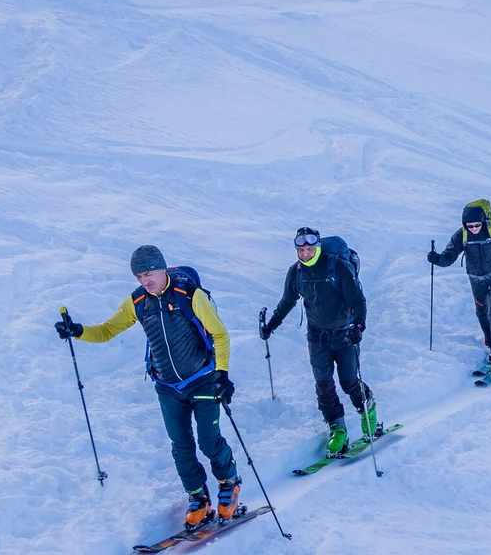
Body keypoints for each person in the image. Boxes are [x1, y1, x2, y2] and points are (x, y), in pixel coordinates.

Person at [56, 245, 241, 530]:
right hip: (167, 385)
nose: (145, 280)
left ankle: (229, 482)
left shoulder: (190, 295)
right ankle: (198, 497)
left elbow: (220, 334)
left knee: (208, 439)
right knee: (180, 445)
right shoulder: (138, 301)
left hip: (202, 378)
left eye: (149, 273)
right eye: (139, 275)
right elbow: (107, 330)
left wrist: (223, 374)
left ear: (162, 268)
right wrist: (77, 331)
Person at [261, 227, 375, 454]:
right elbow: (287, 302)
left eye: (310, 249)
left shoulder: (337, 266)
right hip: (317, 336)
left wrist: (358, 325)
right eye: (301, 249)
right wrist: (272, 325)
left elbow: (357, 300)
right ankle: (338, 429)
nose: (305, 253)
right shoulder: (296, 273)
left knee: (349, 382)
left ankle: (367, 408)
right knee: (323, 385)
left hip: (344, 333)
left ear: (318, 247)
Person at [428, 200, 491, 373]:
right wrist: (437, 259)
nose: (474, 229)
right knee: (481, 312)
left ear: (483, 221)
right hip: (477, 280)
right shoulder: (461, 235)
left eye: (477, 225)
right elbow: (449, 256)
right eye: (470, 226)